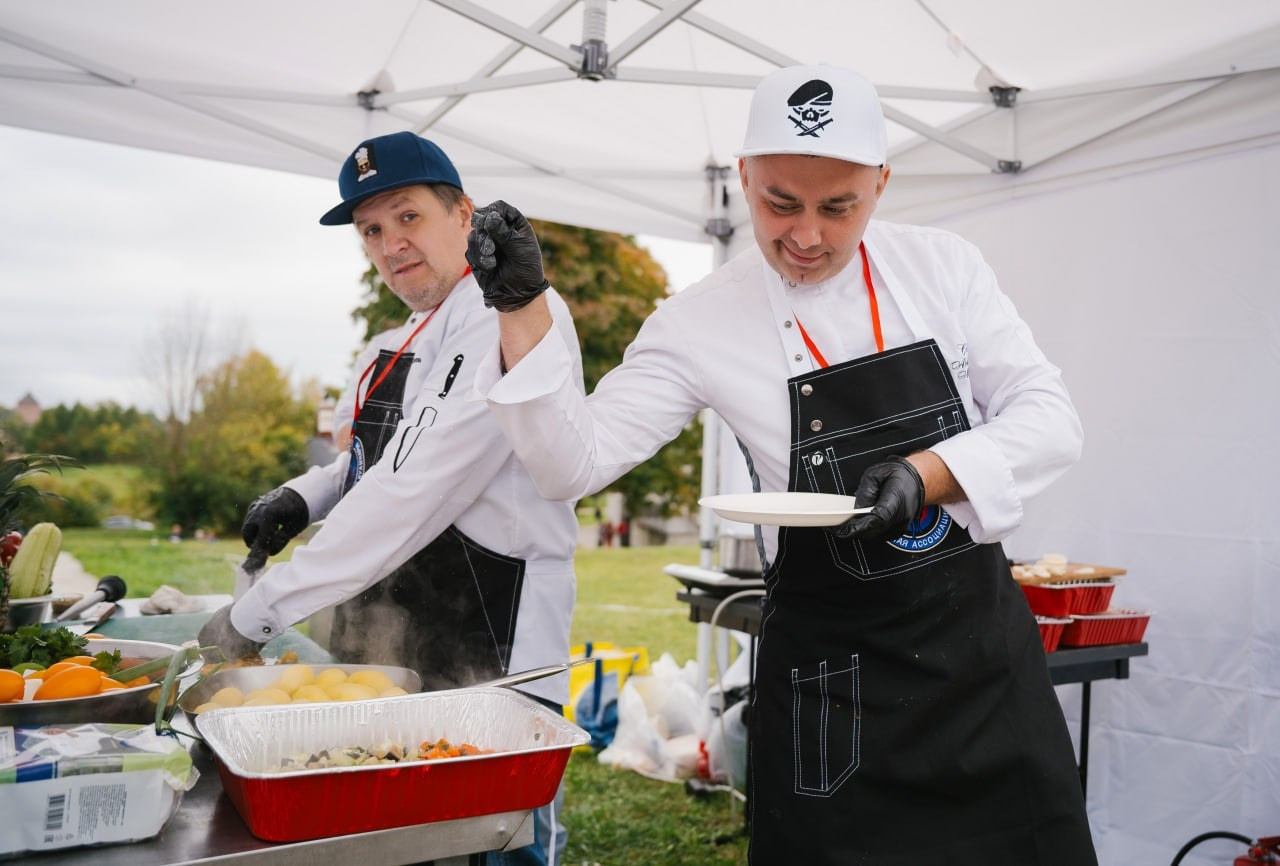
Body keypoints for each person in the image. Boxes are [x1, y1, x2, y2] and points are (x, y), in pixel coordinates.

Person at [468, 65, 1096, 864]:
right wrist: (521, 309)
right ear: (743, 178)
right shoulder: (699, 321)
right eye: (779, 204)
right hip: (834, 689)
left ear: (881, 184)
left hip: (982, 673)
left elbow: (1051, 421)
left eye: (839, 208)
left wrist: (928, 474)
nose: (806, 236)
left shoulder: (945, 269)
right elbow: (571, 465)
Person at [198, 131, 583, 866]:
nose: (390, 244)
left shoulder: (506, 315)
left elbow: (412, 487)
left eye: (408, 217)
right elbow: (373, 462)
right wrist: (304, 495)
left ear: (463, 214)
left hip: (491, 652)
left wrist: (257, 611)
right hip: (397, 644)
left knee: (488, 844)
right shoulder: (390, 344)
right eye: (372, 230)